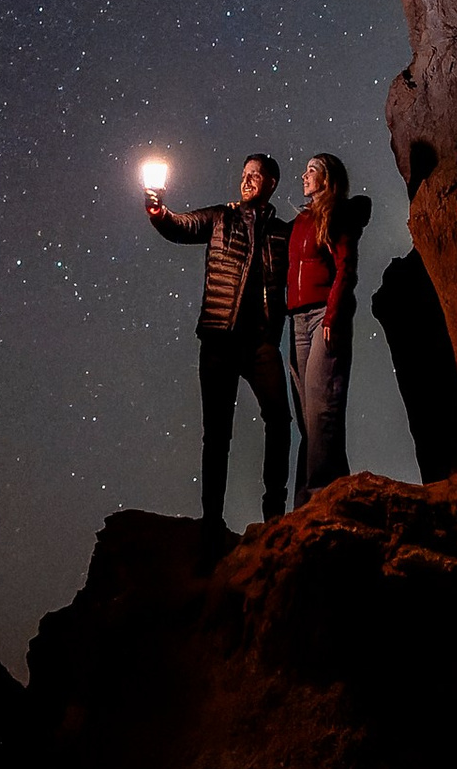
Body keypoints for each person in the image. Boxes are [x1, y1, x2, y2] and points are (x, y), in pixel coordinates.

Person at [146, 151, 292, 529]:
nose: (246, 180)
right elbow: (180, 226)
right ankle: (212, 522)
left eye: (255, 174)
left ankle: (274, 514)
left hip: (261, 344)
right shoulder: (219, 218)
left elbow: (314, 244)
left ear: (271, 183)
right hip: (218, 340)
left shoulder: (283, 233)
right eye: (244, 174)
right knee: (217, 435)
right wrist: (158, 211)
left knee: (279, 419)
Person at [284, 151, 368, 504]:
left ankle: (321, 494)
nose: (304, 176)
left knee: (323, 407)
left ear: (327, 178)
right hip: (297, 320)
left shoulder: (336, 214)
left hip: (324, 317)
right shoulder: (300, 220)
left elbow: (346, 267)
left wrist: (333, 315)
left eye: (312, 170)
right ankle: (312, 497)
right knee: (309, 415)